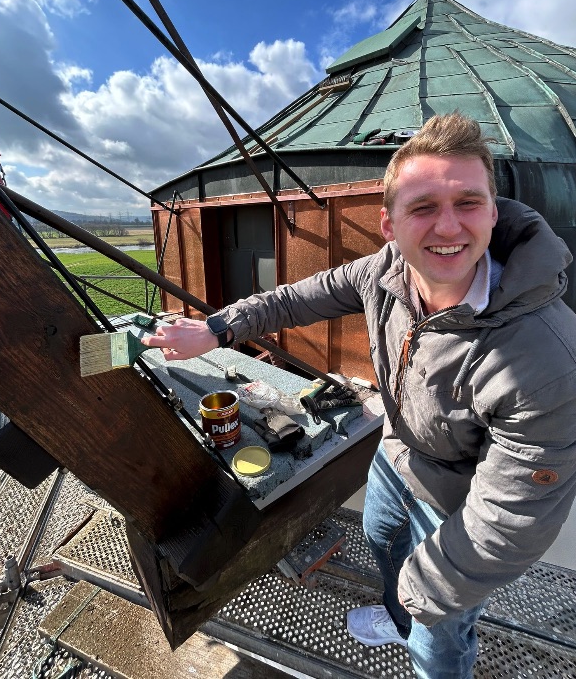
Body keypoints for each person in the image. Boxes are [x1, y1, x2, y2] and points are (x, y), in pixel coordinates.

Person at [142, 113, 576, 679]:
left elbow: (510, 517)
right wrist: (216, 329)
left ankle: (422, 637)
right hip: (398, 452)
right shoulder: (385, 272)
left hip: (458, 499)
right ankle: (399, 618)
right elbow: (295, 299)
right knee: (379, 536)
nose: (448, 227)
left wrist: (429, 592)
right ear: (388, 224)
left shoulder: (545, 357)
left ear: (494, 213)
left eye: (467, 203)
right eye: (422, 207)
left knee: (438, 636)